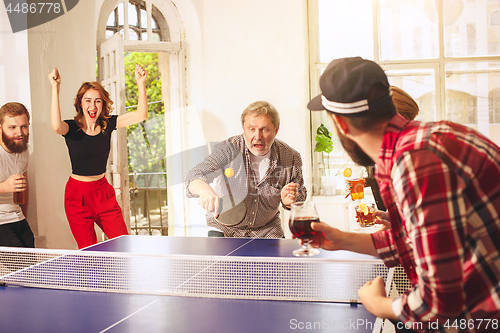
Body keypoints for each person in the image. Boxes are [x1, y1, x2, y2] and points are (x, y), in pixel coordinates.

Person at [306, 57, 500, 332]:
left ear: (342, 124)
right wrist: (342, 240)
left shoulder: (414, 163)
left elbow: (437, 306)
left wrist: (379, 305)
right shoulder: (428, 139)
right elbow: (423, 242)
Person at [48, 64, 148, 249]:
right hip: (77, 197)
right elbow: (56, 126)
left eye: (97, 101)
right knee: (89, 252)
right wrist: (55, 88)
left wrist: (140, 83)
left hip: (103, 193)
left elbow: (141, 114)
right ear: (80, 103)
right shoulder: (71, 128)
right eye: (87, 101)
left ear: (103, 105)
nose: (92, 105)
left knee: (124, 244)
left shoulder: (108, 124)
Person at [186, 101, 307, 238]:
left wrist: (291, 200)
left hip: (267, 230)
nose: (257, 136)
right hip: (224, 229)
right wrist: (204, 190)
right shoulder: (226, 150)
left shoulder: (291, 157)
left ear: (276, 130)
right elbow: (193, 176)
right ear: (243, 128)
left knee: (281, 260)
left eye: (264, 129)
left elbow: (301, 194)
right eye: (251, 129)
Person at [349, 85, 420, 230]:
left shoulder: (412, 156)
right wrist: (392, 218)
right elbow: (413, 213)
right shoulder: (394, 152)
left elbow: (426, 228)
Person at [0, 102, 34, 247]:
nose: (19, 133)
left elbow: (24, 187)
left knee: (33, 265)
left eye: (24, 127)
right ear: (0, 128)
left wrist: (24, 216)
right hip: (1, 222)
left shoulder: (23, 149)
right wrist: (4, 187)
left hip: (18, 217)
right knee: (22, 266)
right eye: (12, 127)